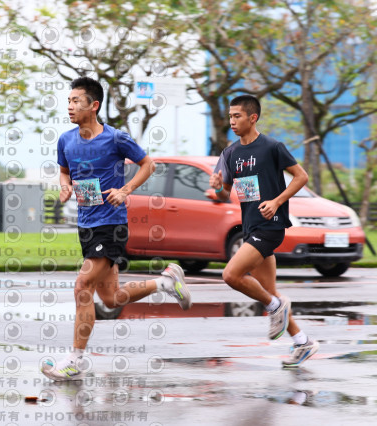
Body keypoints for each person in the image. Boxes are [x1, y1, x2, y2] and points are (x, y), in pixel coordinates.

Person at [40, 77, 193, 381]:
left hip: (110, 224)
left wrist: (125, 190)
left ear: (93, 105)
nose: (69, 106)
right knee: (111, 298)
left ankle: (74, 360)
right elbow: (64, 171)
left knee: (82, 286)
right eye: (68, 101)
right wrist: (65, 186)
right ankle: (165, 282)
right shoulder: (66, 140)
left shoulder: (115, 139)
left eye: (76, 101)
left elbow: (149, 165)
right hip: (86, 225)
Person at [209, 95, 318, 368]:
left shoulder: (272, 147)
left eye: (237, 116)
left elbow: (302, 176)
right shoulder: (230, 153)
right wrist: (218, 185)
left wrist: (277, 201)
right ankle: (302, 341)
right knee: (269, 291)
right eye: (230, 116)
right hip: (250, 227)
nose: (232, 121)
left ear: (253, 117)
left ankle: (275, 306)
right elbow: (224, 195)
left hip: (271, 226)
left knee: (231, 275)